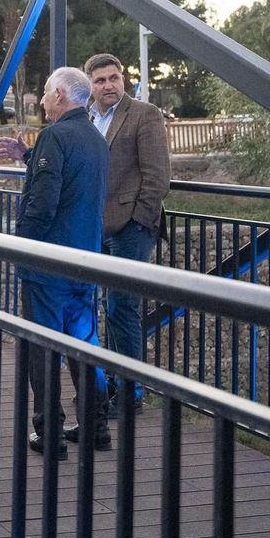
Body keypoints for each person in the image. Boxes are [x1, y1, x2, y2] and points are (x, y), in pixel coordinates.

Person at [15, 66, 110, 459]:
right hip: (84, 259)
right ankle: (96, 425)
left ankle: (49, 431)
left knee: (43, 347)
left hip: (49, 262)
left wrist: (21, 243)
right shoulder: (95, 138)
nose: (40, 100)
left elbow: (45, 201)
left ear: (59, 95)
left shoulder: (54, 136)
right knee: (85, 344)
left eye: (44, 93)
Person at [84, 52, 170, 413]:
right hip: (96, 226)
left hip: (131, 228)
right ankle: (114, 383)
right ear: (90, 84)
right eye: (100, 80)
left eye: (113, 78)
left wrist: (139, 220)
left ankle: (131, 393)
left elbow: (157, 176)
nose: (108, 85)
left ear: (124, 79)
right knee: (108, 305)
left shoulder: (144, 114)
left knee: (122, 305)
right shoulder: (88, 116)